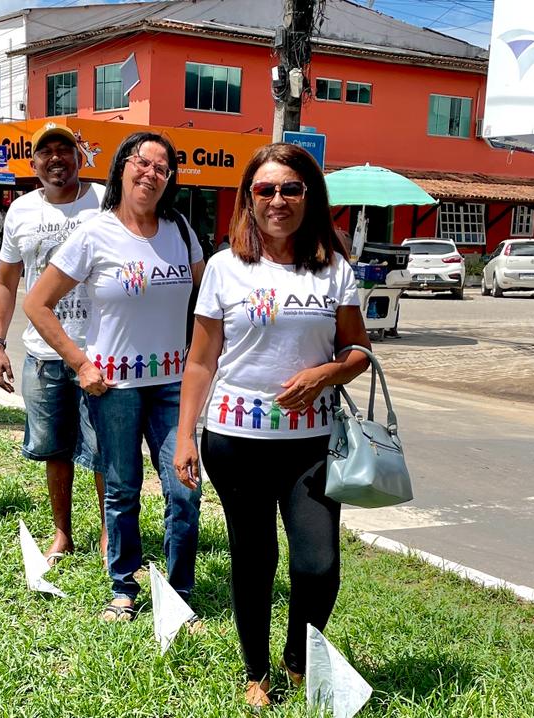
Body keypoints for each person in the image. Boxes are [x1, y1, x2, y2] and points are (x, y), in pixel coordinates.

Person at [172, 143, 370, 707]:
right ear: (248, 199)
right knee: (254, 559)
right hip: (237, 441)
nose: (278, 200)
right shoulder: (223, 269)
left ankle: (298, 658)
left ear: (310, 196)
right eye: (265, 189)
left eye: (290, 189)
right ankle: (257, 671)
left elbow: (358, 351)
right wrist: (186, 435)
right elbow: (202, 360)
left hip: (310, 444)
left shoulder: (334, 271)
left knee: (319, 564)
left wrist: (327, 373)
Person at [25, 131, 205, 621]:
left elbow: (206, 305)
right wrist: (80, 363)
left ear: (170, 180)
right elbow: (37, 304)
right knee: (123, 490)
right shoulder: (93, 233)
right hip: (115, 387)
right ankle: (123, 588)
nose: (151, 173)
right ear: (122, 166)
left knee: (184, 489)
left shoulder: (181, 231)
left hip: (172, 384)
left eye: (162, 168)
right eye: (142, 162)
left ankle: (180, 594)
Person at [0, 124, 107, 564]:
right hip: (41, 353)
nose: (56, 158)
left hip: (99, 350)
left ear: (80, 156)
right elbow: (6, 281)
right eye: (46, 152)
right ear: (33, 162)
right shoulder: (20, 211)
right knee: (54, 449)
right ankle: (62, 533)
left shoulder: (105, 202)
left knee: (103, 451)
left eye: (65, 150)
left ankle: (107, 533)